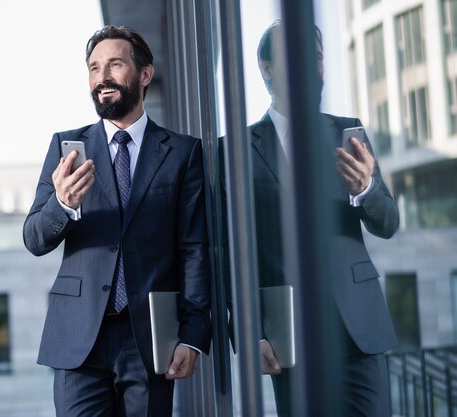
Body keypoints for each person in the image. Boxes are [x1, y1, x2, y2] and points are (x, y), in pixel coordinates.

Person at [23, 25, 211, 417]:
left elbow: (194, 249)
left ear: (144, 74)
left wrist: (192, 337)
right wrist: (62, 203)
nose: (101, 78)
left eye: (114, 65)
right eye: (93, 68)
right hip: (78, 341)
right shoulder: (65, 148)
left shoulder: (181, 153)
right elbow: (34, 238)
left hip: (148, 339)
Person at [251, 21, 399, 416]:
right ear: (266, 68)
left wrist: (366, 190)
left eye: (316, 57)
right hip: (291, 342)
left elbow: (388, 224)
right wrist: (250, 334)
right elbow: (230, 253)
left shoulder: (348, 134)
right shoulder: (237, 149)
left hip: (358, 333)